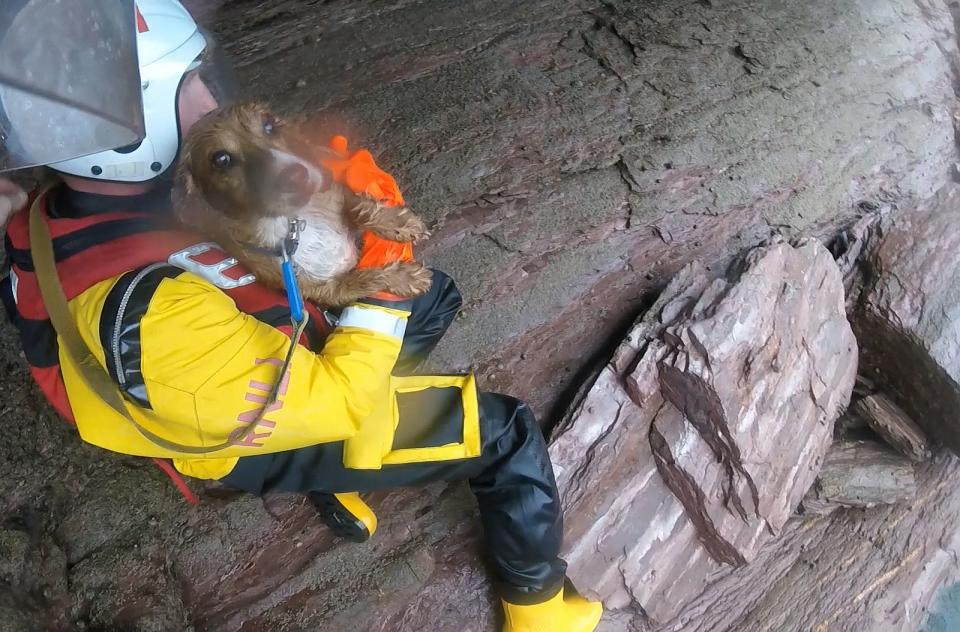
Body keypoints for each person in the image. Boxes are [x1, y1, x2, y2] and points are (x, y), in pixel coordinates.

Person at [0, 1, 603, 630]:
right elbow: (336, 401)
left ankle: (337, 472)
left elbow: (245, 232)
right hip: (258, 432)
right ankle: (540, 608)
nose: (211, 100)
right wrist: (381, 284)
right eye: (188, 86)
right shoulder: (150, 321)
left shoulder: (81, 204)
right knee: (503, 432)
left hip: (253, 365)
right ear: (131, 124)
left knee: (437, 294)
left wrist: (329, 201)